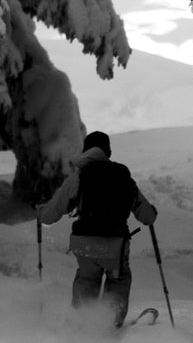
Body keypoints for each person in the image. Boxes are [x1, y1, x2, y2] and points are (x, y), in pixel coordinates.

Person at [38, 130, 157, 328]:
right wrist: (151, 213)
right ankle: (110, 324)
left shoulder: (79, 177)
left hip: (84, 244)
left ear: (86, 150)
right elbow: (147, 216)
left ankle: (81, 324)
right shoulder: (123, 177)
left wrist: (40, 210)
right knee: (118, 281)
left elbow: (51, 214)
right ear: (108, 151)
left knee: (86, 279)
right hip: (115, 246)